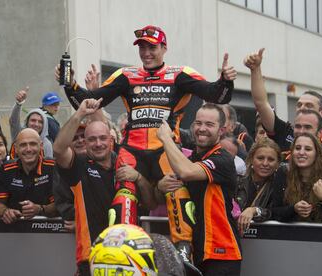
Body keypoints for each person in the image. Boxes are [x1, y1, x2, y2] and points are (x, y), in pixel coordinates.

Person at [57, 25, 237, 258]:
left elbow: (216, 95)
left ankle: (183, 249)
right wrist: (69, 84)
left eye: (152, 47)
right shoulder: (126, 76)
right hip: (133, 151)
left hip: (165, 149)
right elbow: (90, 102)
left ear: (164, 48)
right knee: (124, 194)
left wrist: (225, 80)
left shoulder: (179, 74)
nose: (146, 53)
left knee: (176, 188)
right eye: (142, 47)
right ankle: (121, 248)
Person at [53, 99, 156, 276]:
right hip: (91, 256)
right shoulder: (79, 165)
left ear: (111, 139)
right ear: (85, 143)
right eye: (92, 139)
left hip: (131, 256)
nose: (98, 143)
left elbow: (150, 203)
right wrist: (79, 113)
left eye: (102, 138)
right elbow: (59, 150)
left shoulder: (126, 162)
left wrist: (138, 178)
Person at [157, 103, 242, 276]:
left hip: (221, 252)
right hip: (195, 252)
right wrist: (160, 186)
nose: (202, 128)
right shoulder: (192, 158)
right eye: (198, 123)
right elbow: (156, 198)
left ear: (221, 130)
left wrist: (166, 138)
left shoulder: (222, 158)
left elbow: (186, 172)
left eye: (209, 125)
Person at [244, 49, 322, 159]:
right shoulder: (285, 132)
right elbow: (261, 103)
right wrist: (255, 69)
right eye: (299, 105)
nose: (302, 108)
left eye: (309, 106)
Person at [270, 133, 322, 223]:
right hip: (289, 234)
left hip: (321, 234)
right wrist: (293, 209)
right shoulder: (283, 172)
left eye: (308, 149)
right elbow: (274, 212)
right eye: (297, 148)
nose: (301, 152)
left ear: (317, 154)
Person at [0, 128, 57, 224]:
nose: (28, 149)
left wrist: (40, 209)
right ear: (16, 149)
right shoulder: (6, 169)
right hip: (15, 231)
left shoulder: (53, 168)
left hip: (48, 231)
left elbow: (62, 204)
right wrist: (5, 212)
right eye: (23, 145)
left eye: (33, 144)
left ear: (41, 146)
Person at [236, 137, 281, 234]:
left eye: (271, 159)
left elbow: (274, 212)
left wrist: (254, 210)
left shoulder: (280, 186)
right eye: (260, 158)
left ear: (277, 164)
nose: (265, 163)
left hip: (265, 238)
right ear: (252, 159)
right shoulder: (237, 180)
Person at [9, 87, 53, 157]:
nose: (36, 124)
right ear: (27, 122)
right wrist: (19, 103)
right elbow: (13, 121)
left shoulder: (46, 144)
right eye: (33, 120)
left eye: (40, 122)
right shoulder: (19, 135)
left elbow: (49, 166)